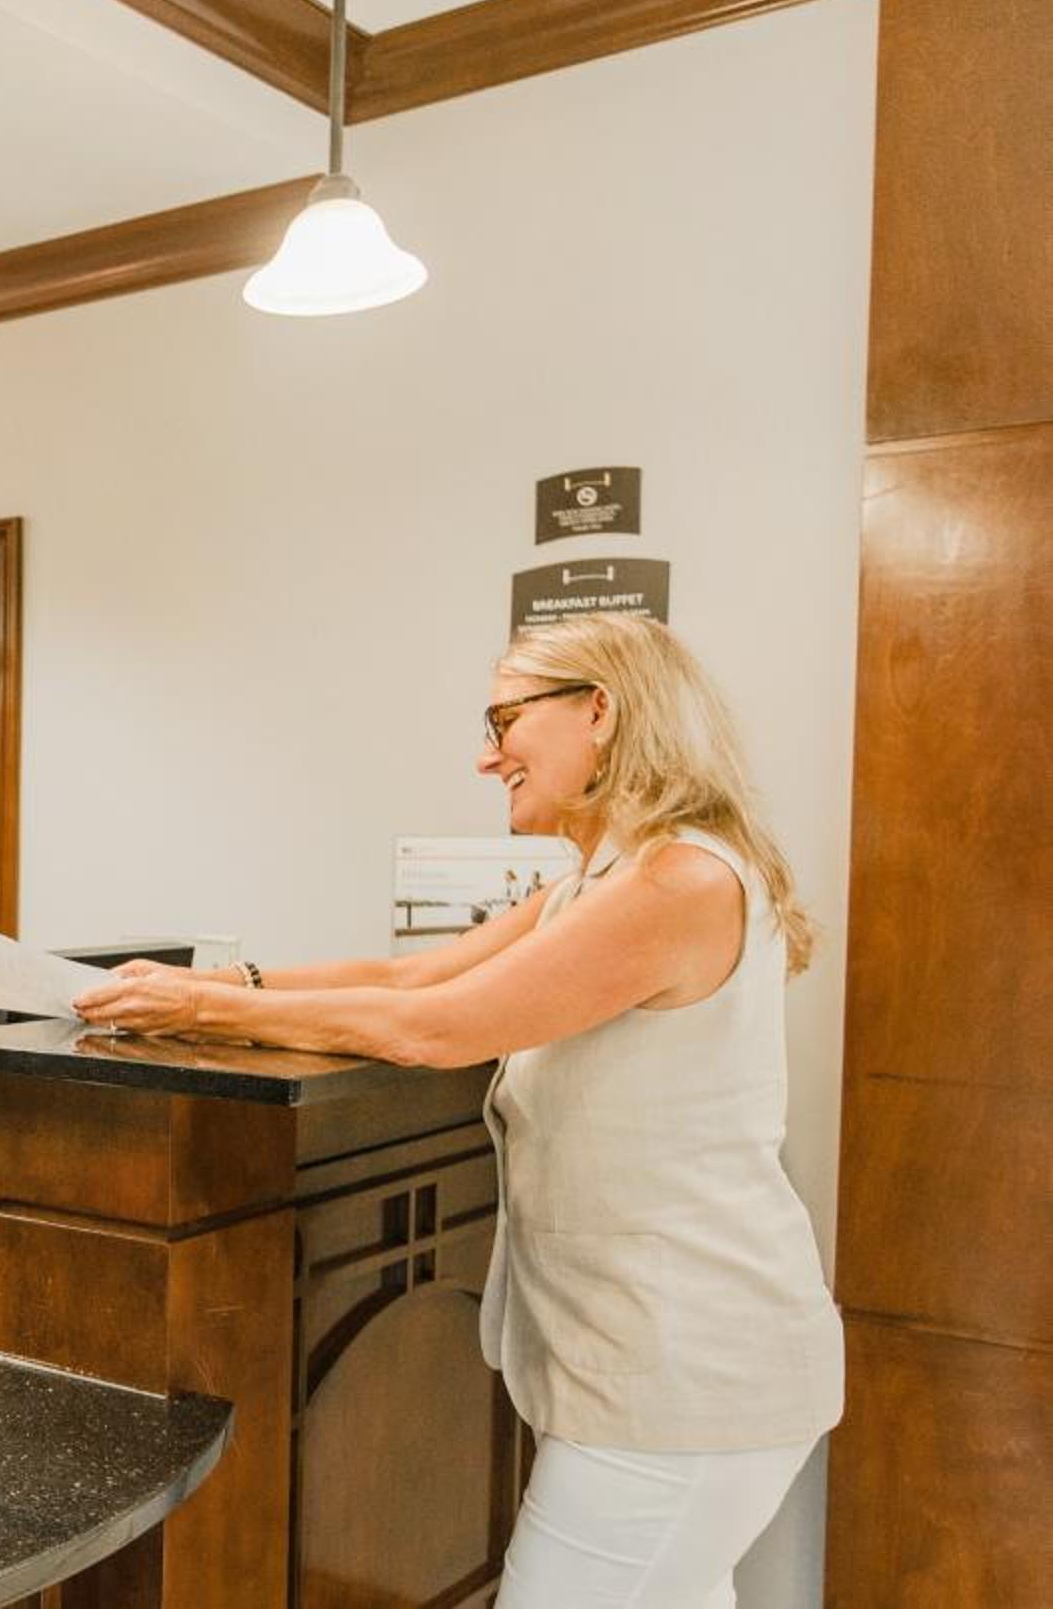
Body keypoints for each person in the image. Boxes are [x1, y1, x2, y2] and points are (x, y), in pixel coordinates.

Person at [73, 613, 840, 1609]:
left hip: (687, 1377)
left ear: (600, 710)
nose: (488, 756)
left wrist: (202, 1010)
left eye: (503, 720)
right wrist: (220, 979)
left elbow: (437, 1026)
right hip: (656, 1372)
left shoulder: (678, 880)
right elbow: (412, 974)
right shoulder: (596, 883)